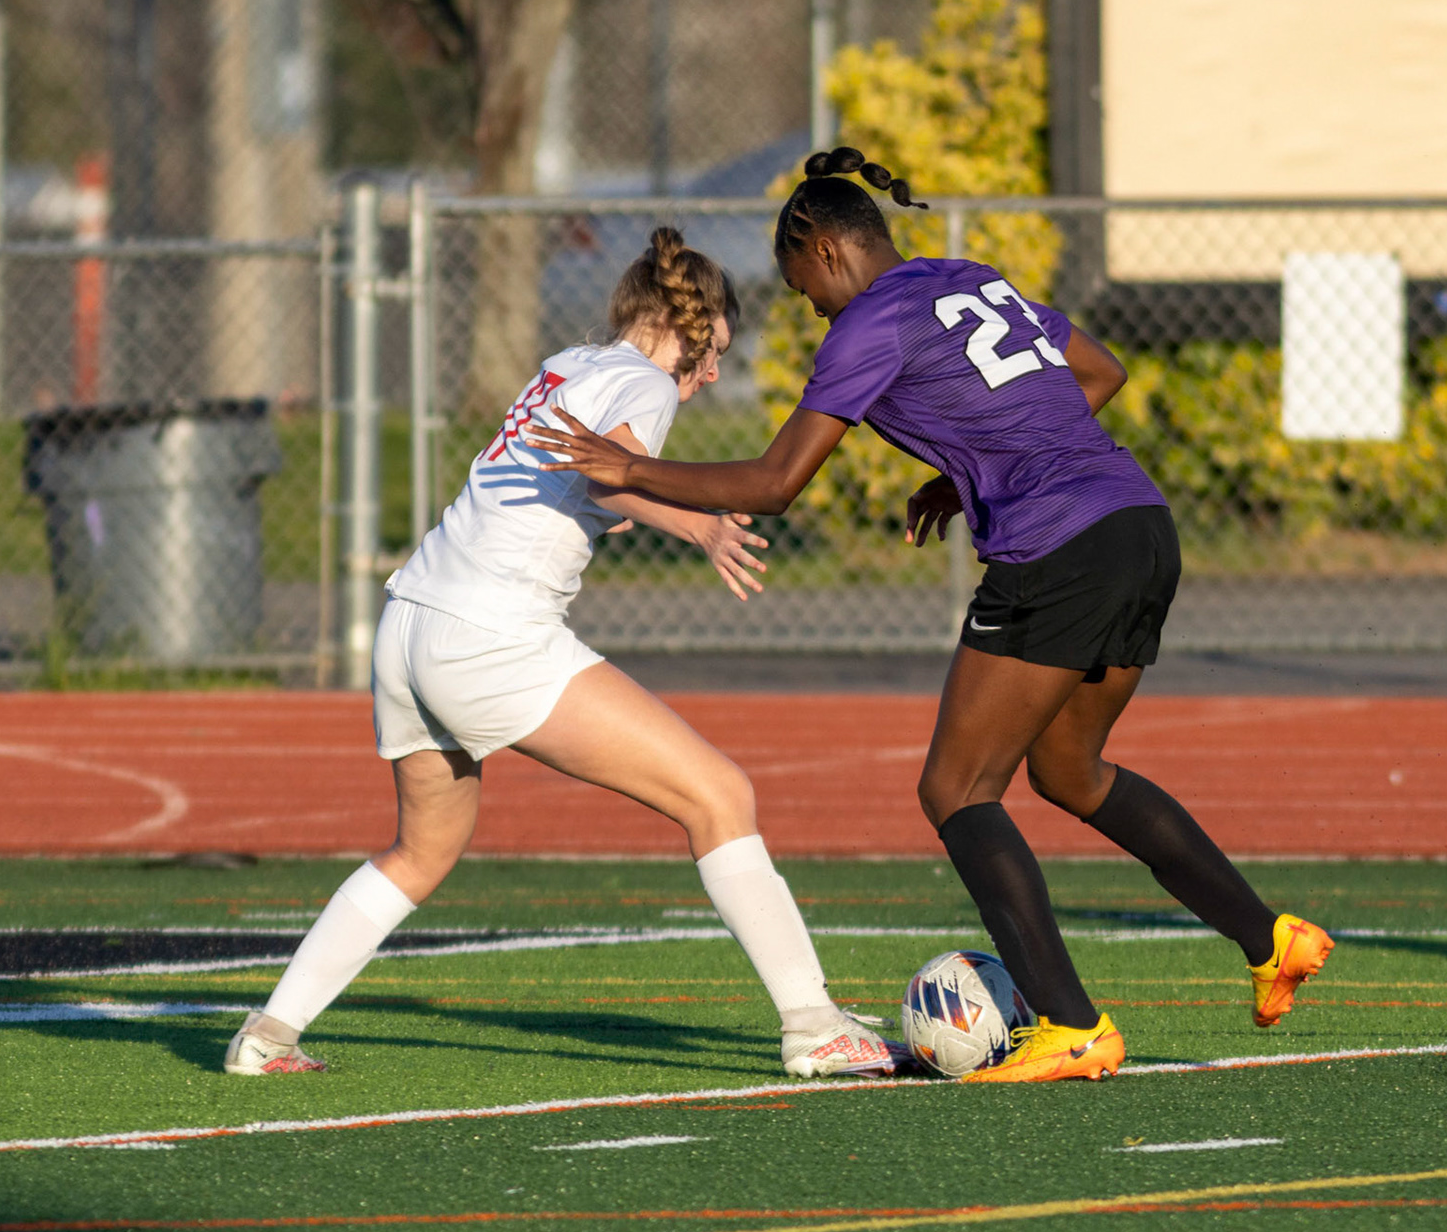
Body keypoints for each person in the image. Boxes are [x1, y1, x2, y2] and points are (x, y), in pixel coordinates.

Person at [527, 148, 1334, 1084]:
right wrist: (972, 471)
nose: (810, 308)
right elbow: (1100, 372)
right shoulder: (969, 278)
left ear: (825, 248)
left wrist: (630, 468)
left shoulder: (866, 324)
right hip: (1139, 525)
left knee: (957, 789)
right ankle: (1268, 938)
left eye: (800, 286)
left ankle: (1072, 1025)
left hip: (1058, 548)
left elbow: (775, 482)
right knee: (1071, 772)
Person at [225, 227, 892, 1079]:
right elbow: (616, 475)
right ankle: (814, 1025)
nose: (715, 373)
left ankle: (269, 1034)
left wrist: (672, 518)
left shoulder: (570, 364)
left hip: (411, 619)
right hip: (490, 633)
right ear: (686, 327)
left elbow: (591, 478)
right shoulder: (645, 381)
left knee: (420, 853)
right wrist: (700, 524)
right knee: (720, 794)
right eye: (718, 349)